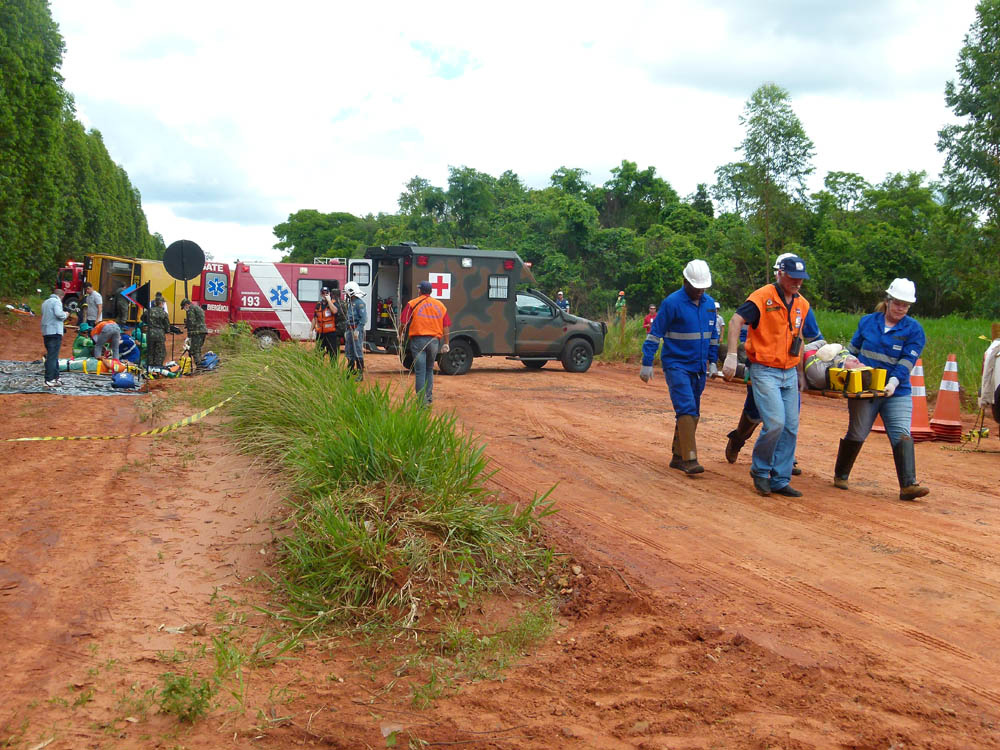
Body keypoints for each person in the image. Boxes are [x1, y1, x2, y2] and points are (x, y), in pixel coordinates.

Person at [832, 278, 929, 501]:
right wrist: (848, 364)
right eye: (897, 303)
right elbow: (851, 351)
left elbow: (907, 360)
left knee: (901, 433)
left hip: (897, 390)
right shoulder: (867, 322)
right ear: (888, 301)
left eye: (905, 305)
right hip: (865, 389)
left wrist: (893, 382)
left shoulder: (914, 330)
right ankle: (841, 474)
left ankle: (908, 485)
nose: (901, 308)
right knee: (857, 432)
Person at [724, 252, 822, 471]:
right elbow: (738, 325)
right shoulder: (762, 298)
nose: (797, 282)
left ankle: (782, 462)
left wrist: (804, 371)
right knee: (755, 412)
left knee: (789, 420)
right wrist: (732, 355)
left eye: (800, 278)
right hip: (762, 366)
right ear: (780, 274)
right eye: (792, 277)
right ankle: (739, 438)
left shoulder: (802, 304)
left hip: (789, 369)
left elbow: (810, 337)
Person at [640, 260, 718, 474]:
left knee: (694, 411)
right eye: (696, 286)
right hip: (676, 364)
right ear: (685, 281)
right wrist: (647, 362)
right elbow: (655, 333)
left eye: (703, 287)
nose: (700, 291)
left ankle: (677, 455)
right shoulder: (672, 303)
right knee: (686, 407)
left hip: (699, 367)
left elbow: (713, 337)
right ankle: (690, 459)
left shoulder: (710, 304)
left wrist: (713, 361)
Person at [401, 280, 451, 406]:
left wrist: (400, 334)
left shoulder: (413, 303)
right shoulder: (440, 305)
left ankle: (421, 401)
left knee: (420, 371)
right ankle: (428, 399)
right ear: (431, 291)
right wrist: (446, 343)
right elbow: (445, 326)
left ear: (420, 290)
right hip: (434, 341)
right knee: (429, 370)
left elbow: (403, 323)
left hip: (418, 341)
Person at [41, 288, 68, 387]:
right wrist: (66, 314)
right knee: (52, 357)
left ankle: (56, 377)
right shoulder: (56, 302)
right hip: (55, 332)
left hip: (46, 332)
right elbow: (59, 314)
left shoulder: (45, 302)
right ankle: (49, 379)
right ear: (61, 296)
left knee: (53, 356)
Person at [343, 281, 367, 380]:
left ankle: (360, 374)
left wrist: (357, 330)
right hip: (349, 330)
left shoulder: (360, 303)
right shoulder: (351, 303)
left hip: (356, 330)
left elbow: (363, 319)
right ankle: (350, 371)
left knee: (358, 351)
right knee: (349, 351)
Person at [312, 286, 340, 361]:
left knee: (333, 353)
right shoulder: (318, 305)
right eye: (323, 293)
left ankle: (333, 369)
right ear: (321, 294)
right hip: (320, 333)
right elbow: (315, 318)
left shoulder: (334, 303)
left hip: (331, 333)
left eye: (326, 293)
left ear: (329, 294)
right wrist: (311, 330)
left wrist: (329, 301)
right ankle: (319, 368)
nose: (324, 295)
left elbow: (334, 311)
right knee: (318, 353)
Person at [181, 299, 207, 368]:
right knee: (198, 349)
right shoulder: (198, 308)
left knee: (194, 350)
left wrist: (189, 331)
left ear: (186, 305)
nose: (184, 309)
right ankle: (201, 364)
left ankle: (199, 367)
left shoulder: (190, 310)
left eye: (184, 307)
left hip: (196, 332)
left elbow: (192, 322)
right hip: (203, 331)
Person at [146, 298, 171, 368]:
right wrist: (167, 330)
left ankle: (149, 366)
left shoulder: (149, 311)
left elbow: (143, 318)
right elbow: (167, 325)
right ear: (161, 304)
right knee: (159, 350)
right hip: (160, 333)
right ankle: (158, 366)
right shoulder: (164, 313)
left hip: (150, 332)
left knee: (150, 350)